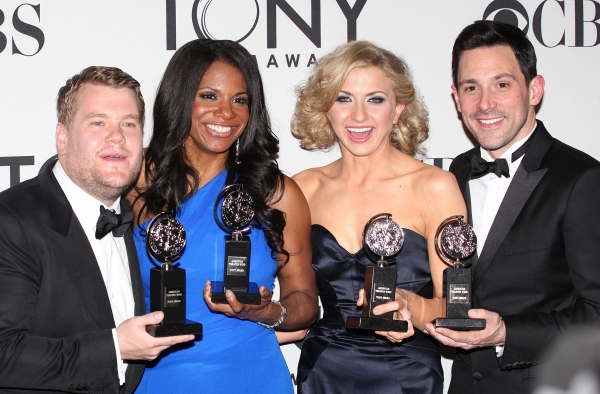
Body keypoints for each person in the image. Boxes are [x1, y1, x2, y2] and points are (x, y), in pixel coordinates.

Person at [128, 39, 318, 393]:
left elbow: (305, 301)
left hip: (253, 377)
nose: (226, 113)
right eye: (209, 96)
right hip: (158, 378)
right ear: (181, 97)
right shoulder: (133, 178)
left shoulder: (277, 193)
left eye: (240, 100)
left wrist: (268, 312)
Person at [422, 20, 600, 394]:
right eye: (472, 88)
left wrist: (506, 333)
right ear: (456, 98)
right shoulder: (456, 171)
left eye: (502, 85)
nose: (485, 104)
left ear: (534, 89)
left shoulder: (581, 179)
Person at [0, 66, 194, 394]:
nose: (116, 136)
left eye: (129, 124)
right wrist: (115, 347)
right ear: (62, 137)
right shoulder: (12, 219)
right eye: (98, 122)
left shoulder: (134, 217)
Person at [290, 40, 467, 394]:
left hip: (406, 376)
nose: (359, 116)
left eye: (375, 99)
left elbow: (458, 314)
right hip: (323, 371)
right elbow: (294, 299)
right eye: (343, 98)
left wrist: (411, 305)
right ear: (326, 107)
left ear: (398, 108)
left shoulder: (435, 187)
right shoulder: (304, 188)